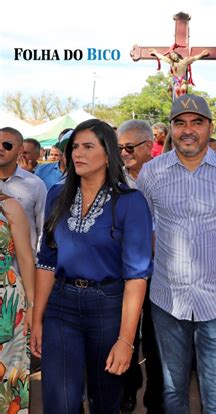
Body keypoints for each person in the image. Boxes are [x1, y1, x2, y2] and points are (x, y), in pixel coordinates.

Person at [137, 94, 216, 413]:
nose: (188, 130)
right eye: (180, 123)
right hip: (167, 300)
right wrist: (164, 254)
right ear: (171, 129)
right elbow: (141, 226)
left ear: (209, 127)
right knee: (173, 389)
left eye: (196, 122)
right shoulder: (151, 174)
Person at [30, 119, 153, 413]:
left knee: (104, 401)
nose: (77, 154)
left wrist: (126, 340)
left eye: (88, 147)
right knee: (59, 402)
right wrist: (37, 319)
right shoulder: (57, 195)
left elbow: (137, 276)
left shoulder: (131, 202)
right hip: (61, 305)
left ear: (108, 154)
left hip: (108, 308)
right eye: (74, 147)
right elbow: (47, 262)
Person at [117, 119, 163, 413]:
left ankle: (155, 399)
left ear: (149, 146)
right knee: (126, 334)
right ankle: (128, 389)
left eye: (130, 147)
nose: (124, 153)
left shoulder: (164, 178)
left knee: (157, 342)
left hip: (160, 273)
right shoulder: (113, 181)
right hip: (124, 274)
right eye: (119, 148)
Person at [0, 194, 35, 413]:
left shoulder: (8, 206)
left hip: (9, 305)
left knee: (10, 379)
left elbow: (25, 258)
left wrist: (32, 306)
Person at [0, 127, 47, 252]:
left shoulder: (35, 185)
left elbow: (42, 228)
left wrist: (39, 263)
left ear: (20, 150)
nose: (0, 148)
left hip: (24, 266)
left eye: (7, 145)